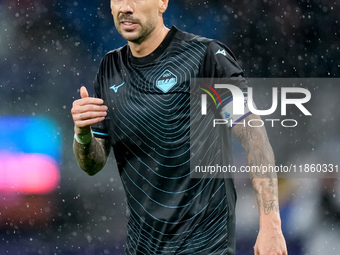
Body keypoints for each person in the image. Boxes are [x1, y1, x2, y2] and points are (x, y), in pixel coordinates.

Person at [71, 0, 287, 254]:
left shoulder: (205, 56)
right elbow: (93, 165)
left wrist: (271, 224)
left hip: (206, 246)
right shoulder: (109, 69)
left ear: (162, 2)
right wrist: (82, 134)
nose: (125, 7)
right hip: (143, 247)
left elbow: (254, 138)